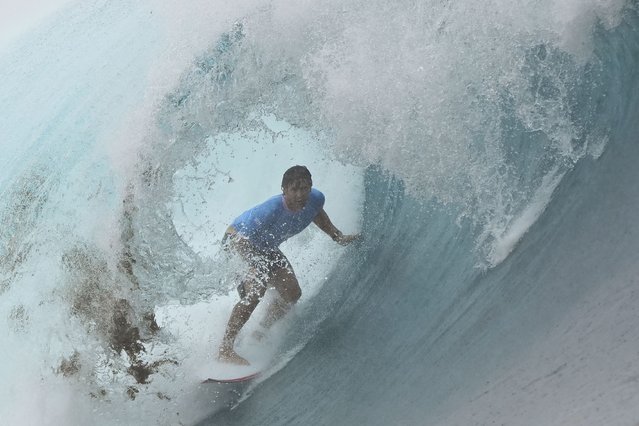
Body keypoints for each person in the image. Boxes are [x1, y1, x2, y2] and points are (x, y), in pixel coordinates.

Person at [218, 165, 359, 365]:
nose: (300, 194)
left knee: (292, 293)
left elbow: (316, 214)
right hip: (237, 243)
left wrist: (337, 236)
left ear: (311, 186)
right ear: (284, 189)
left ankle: (260, 331)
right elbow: (241, 239)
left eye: (304, 188)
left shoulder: (315, 199)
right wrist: (253, 266)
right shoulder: (271, 209)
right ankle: (224, 349)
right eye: (294, 189)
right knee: (254, 292)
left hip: (265, 248)